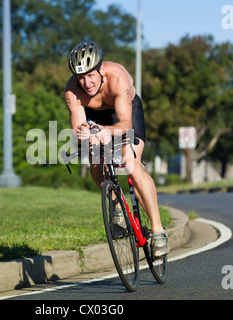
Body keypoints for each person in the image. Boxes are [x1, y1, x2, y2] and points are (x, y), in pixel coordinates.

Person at [64, 40, 170, 257]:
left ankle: (158, 231)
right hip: (96, 116)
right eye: (80, 77)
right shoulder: (72, 92)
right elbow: (78, 131)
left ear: (101, 69)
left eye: (91, 75)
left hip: (125, 113)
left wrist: (106, 130)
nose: (86, 83)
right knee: (96, 163)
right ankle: (117, 203)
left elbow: (125, 124)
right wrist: (84, 135)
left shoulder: (118, 78)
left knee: (131, 164)